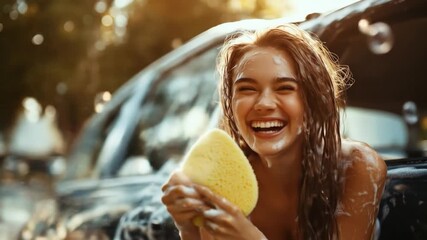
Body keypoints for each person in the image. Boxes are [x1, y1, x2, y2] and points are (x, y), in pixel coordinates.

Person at [161, 24, 387, 240]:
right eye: (247, 89)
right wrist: (188, 229)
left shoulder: (356, 166)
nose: (264, 104)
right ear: (230, 102)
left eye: (285, 88)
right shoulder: (221, 180)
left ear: (312, 99)